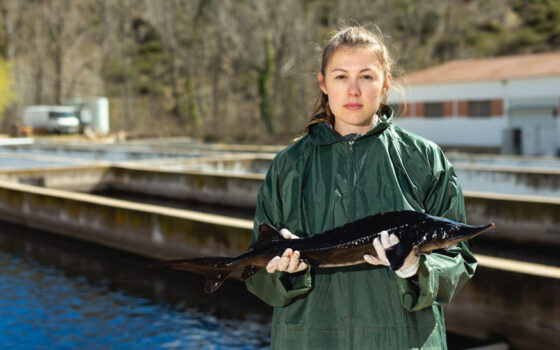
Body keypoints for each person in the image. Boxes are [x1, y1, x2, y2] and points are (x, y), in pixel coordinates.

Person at [245, 25, 476, 350]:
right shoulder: (289, 165)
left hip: (403, 340)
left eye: (366, 76)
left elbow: (459, 261)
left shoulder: (424, 158)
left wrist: (416, 269)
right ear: (323, 84)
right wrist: (286, 273)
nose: (353, 90)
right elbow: (258, 275)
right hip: (309, 340)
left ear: (385, 84)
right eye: (341, 77)